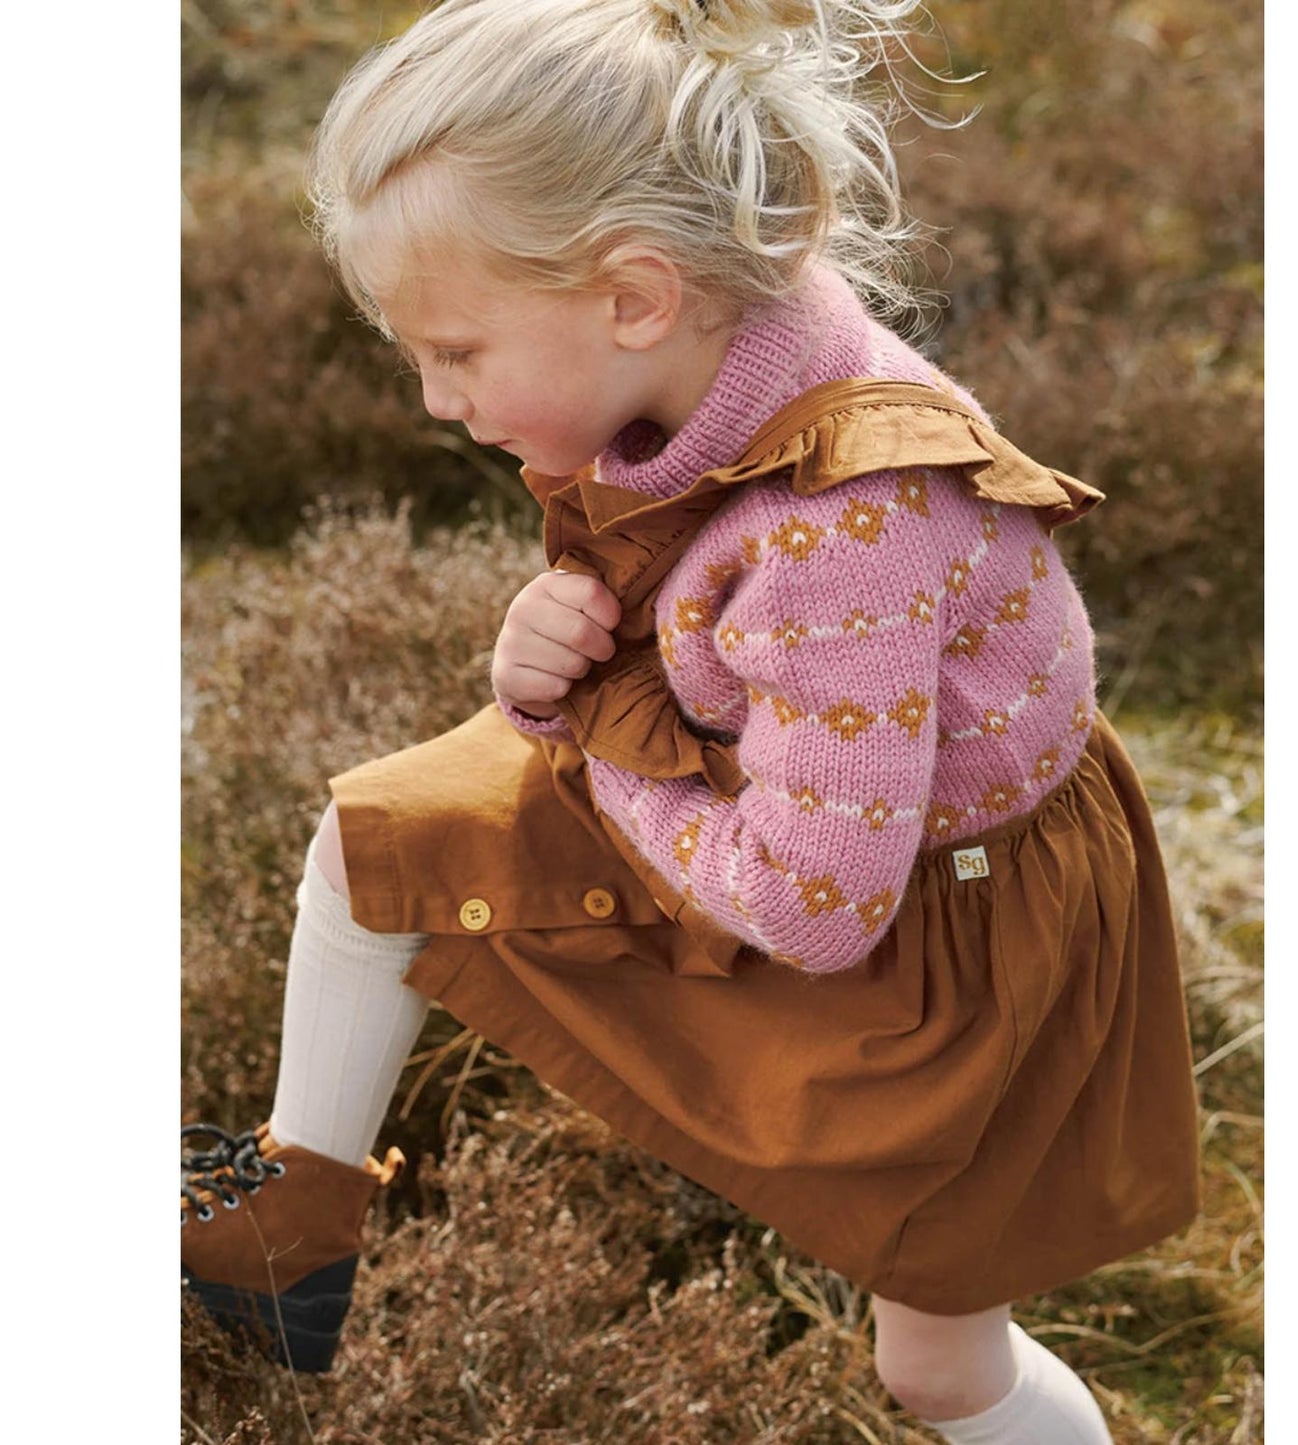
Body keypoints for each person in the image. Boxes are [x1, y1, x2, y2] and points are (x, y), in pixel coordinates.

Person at [180, 1, 1202, 1439]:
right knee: (381, 846)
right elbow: (695, 595)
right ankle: (288, 1230)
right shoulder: (727, 336)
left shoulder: (845, 531)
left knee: (937, 1367)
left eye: (456, 352)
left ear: (635, 297)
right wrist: (543, 656)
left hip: (945, 934)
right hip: (781, 791)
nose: (435, 398)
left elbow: (810, 903)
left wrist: (600, 749)